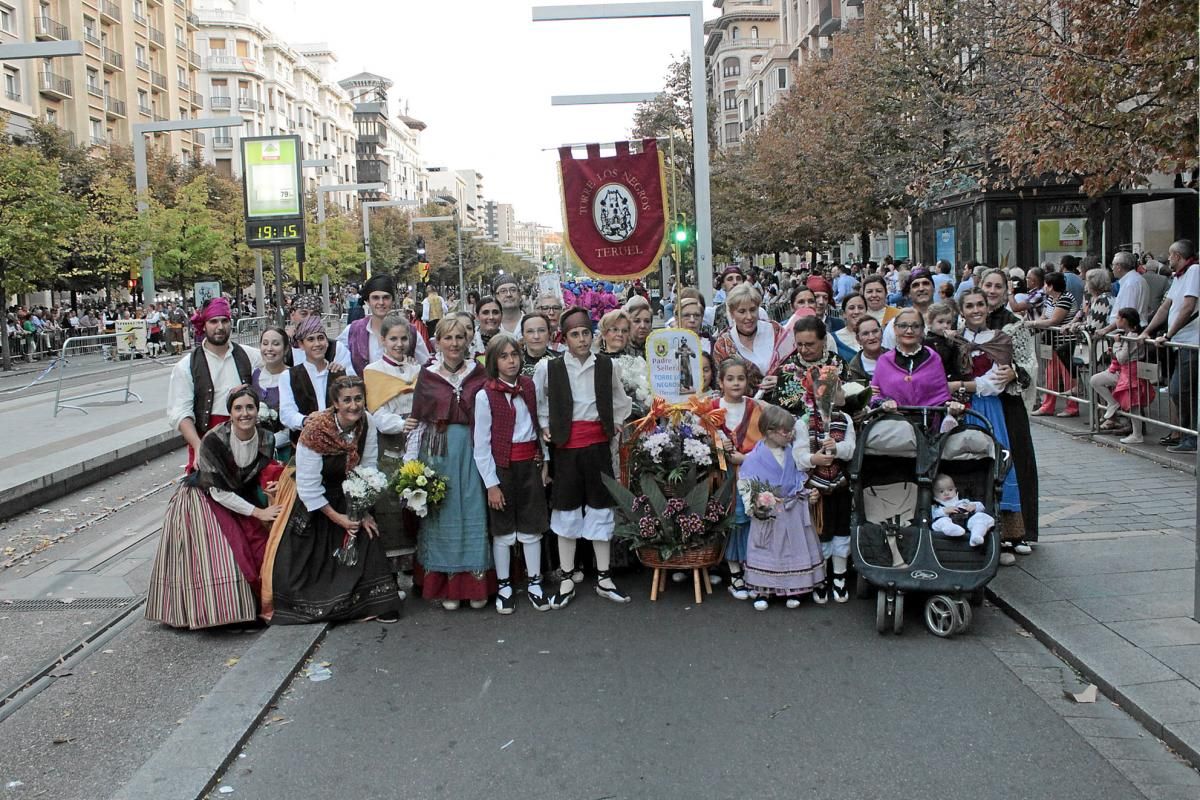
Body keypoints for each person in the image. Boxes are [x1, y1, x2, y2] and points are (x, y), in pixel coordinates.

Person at [262, 376, 401, 624]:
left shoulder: (366, 422)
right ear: (335, 403)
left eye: (358, 398)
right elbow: (307, 485)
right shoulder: (316, 430)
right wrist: (339, 518)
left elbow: (367, 466)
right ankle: (325, 603)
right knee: (310, 558)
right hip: (316, 500)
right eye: (347, 400)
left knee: (368, 534)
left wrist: (362, 511)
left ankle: (375, 602)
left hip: (350, 492)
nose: (354, 405)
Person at [146, 388, 283, 629]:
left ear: (257, 410)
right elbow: (218, 492)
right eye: (238, 408)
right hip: (205, 497)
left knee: (263, 548)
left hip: (241, 494)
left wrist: (271, 486)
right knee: (231, 552)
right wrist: (258, 512)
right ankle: (221, 611)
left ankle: (261, 604)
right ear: (230, 413)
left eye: (249, 407)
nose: (244, 413)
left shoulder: (266, 438)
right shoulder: (214, 439)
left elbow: (259, 472)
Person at [534, 306, 633, 608]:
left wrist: (615, 421)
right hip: (566, 448)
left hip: (597, 446)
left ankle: (604, 576)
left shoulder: (606, 366)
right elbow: (539, 403)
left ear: (593, 335)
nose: (581, 339)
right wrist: (544, 427)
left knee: (600, 507)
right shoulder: (547, 368)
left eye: (585, 333)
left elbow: (620, 399)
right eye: (574, 334)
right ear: (563, 338)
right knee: (565, 508)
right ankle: (566, 575)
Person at [404, 317, 494, 609]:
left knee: (472, 507)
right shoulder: (427, 377)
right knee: (442, 512)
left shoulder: (480, 374)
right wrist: (411, 465)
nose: (454, 343)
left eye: (459, 337)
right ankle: (445, 582)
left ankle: (474, 582)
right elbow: (417, 421)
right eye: (448, 338)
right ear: (437, 342)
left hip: (471, 449)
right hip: (438, 451)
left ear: (468, 340)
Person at [474, 334, 551, 614]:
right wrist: (491, 484)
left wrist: (545, 462)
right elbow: (481, 445)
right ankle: (505, 585)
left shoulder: (528, 387)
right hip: (502, 468)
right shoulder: (485, 396)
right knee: (503, 528)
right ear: (493, 361)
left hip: (529, 464)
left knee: (532, 527)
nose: (511, 361)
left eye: (514, 355)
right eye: (504, 356)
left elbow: (539, 425)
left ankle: (534, 582)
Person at [954, 289, 1025, 559]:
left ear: (987, 308)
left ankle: (1005, 534)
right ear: (962, 311)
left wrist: (961, 385)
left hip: (989, 408)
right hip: (961, 410)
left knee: (998, 464)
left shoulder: (1000, 339)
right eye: (969, 306)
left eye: (980, 305)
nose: (975, 310)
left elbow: (995, 383)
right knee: (961, 464)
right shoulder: (954, 340)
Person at [738, 403, 826, 611]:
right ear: (769, 431)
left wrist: (807, 494)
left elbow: (798, 480)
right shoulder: (754, 458)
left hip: (792, 509)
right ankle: (763, 589)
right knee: (768, 550)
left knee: (793, 549)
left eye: (791, 430)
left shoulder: (792, 453)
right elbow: (746, 486)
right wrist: (755, 505)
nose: (790, 435)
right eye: (786, 431)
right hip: (768, 514)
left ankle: (794, 588)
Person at [977, 268, 1040, 552]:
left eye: (997, 286)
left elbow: (1029, 362)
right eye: (987, 285)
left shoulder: (1015, 324)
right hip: (977, 403)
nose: (991, 291)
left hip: (1008, 403)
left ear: (1006, 291)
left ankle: (1019, 532)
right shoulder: (967, 320)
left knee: (1015, 461)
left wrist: (1015, 373)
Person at [167, 297, 262, 472]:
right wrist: (198, 447)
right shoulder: (186, 366)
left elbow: (280, 366)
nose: (220, 327)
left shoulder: (251, 356)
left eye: (224, 321)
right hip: (206, 441)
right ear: (204, 324)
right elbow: (180, 413)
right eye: (213, 321)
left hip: (246, 442)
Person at [364, 314, 421, 564]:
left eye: (403, 338)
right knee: (391, 504)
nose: (399, 344)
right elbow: (376, 413)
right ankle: (393, 572)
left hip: (418, 439)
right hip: (391, 444)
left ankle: (418, 568)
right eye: (393, 339)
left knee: (419, 499)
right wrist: (401, 424)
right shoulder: (373, 372)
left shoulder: (417, 370)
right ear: (383, 340)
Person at [1139, 239, 1198, 453]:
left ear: (1178, 256)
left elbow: (1188, 307)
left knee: (1180, 390)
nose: (1168, 259)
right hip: (1180, 342)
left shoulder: (1194, 272)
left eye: (1171, 255)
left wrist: (1169, 333)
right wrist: (1147, 331)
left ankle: (1191, 437)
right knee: (1181, 391)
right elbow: (1166, 307)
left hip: (1191, 341)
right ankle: (1186, 434)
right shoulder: (1179, 277)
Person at [712, 358, 762, 600]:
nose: (735, 383)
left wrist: (745, 458)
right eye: (730, 378)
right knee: (733, 521)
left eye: (740, 378)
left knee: (751, 520)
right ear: (720, 382)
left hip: (750, 474)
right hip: (722, 477)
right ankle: (734, 572)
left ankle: (752, 568)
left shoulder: (755, 408)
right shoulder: (710, 408)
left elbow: (765, 442)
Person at [337, 275, 430, 376]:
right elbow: (335, 356)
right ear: (368, 301)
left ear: (392, 301)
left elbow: (427, 367)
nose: (381, 303)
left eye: (386, 297)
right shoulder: (353, 330)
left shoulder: (410, 332)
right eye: (375, 298)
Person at [1091, 308, 1152, 444]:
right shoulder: (1126, 335)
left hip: (1132, 373)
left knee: (1133, 404)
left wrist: (1117, 344)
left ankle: (1137, 434)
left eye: (1118, 318)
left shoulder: (1132, 337)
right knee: (1096, 380)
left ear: (1124, 320)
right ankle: (1113, 403)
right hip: (1123, 372)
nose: (1116, 321)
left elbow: (1122, 358)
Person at [280, 315, 343, 444]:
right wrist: (305, 421)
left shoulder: (338, 371)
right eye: (311, 339)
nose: (317, 344)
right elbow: (287, 413)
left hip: (337, 444)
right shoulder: (289, 376)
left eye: (321, 338)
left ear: (326, 342)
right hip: (305, 445)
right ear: (301, 344)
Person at [711, 284, 782, 396]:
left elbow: (793, 369)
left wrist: (781, 381)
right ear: (732, 313)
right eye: (742, 311)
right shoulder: (723, 344)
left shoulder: (775, 330)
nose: (749, 317)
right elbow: (722, 384)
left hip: (783, 405)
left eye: (753, 310)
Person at [1028, 271, 1079, 417]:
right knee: (1051, 374)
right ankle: (1047, 405)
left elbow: (1054, 320)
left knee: (1067, 375)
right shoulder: (1050, 299)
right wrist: (1039, 322)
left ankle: (1072, 406)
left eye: (1045, 284)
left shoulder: (1066, 298)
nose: (1044, 287)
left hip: (1065, 343)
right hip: (1051, 341)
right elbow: (1045, 316)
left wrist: (1033, 323)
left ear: (1051, 286)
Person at [251, 326, 294, 463]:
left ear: (286, 349)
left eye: (276, 344)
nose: (269, 348)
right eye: (265, 343)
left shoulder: (295, 377)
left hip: (285, 452)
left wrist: (270, 442)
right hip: (255, 453)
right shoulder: (254, 374)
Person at [931, 474, 994, 547]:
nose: (946, 493)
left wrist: (974, 507)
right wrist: (944, 511)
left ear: (955, 489)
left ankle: (976, 535)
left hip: (966, 522)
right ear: (934, 495)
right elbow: (933, 515)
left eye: (950, 490)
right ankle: (951, 529)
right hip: (949, 522)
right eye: (941, 491)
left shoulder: (964, 501)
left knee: (981, 517)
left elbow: (981, 507)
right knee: (940, 522)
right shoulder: (937, 506)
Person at [1098, 252, 1151, 337]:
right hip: (1131, 330)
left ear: (1119, 267)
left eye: (1113, 265)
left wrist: (1106, 329)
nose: (1112, 268)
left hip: (1129, 332)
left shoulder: (1130, 283)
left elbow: (1126, 315)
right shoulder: (1135, 280)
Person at [882, 267, 936, 349]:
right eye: (915, 285)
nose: (921, 288)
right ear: (909, 293)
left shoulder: (946, 319)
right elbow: (887, 355)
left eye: (926, 283)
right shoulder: (895, 324)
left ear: (934, 289)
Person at [519, 312, 561, 377]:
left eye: (541, 330)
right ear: (523, 335)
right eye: (530, 331)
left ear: (549, 333)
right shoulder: (514, 362)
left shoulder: (561, 360)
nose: (536, 336)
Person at [846, 316, 885, 382]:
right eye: (865, 334)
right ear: (858, 339)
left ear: (881, 333)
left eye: (875, 331)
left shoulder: (896, 358)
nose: (871, 337)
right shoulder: (853, 369)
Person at [832, 293, 867, 362]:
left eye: (860, 307)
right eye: (851, 308)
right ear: (844, 314)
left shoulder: (874, 335)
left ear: (866, 311)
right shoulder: (833, 338)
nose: (856, 312)